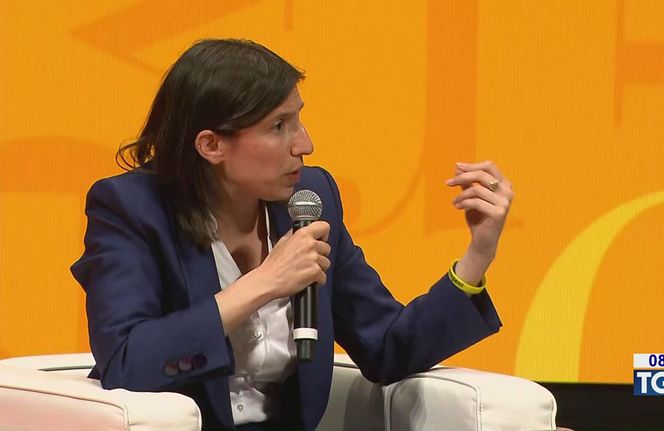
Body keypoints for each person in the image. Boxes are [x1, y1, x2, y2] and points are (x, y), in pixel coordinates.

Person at [71, 39, 514, 431]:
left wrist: (478, 255)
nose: (305, 144)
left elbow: (386, 347)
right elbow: (126, 361)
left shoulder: (310, 199)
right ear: (212, 146)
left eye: (299, 120)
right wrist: (264, 282)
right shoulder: (131, 210)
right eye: (278, 126)